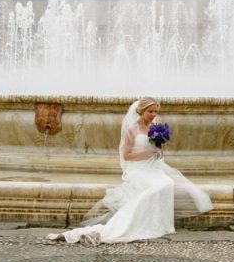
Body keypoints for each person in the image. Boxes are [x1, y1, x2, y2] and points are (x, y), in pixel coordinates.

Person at [48, 97, 213, 245]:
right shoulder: (131, 130)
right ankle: (125, 224)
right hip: (138, 169)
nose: (154, 114)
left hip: (154, 168)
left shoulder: (156, 128)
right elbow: (127, 156)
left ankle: (160, 224)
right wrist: (147, 153)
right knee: (158, 187)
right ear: (141, 111)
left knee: (168, 182)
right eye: (150, 111)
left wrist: (159, 149)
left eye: (156, 111)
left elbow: (160, 150)